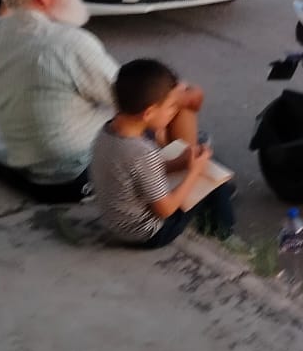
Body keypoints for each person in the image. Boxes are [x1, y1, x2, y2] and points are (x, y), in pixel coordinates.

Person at [0, 0, 204, 202]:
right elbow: (132, 100)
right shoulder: (69, 43)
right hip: (72, 170)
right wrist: (189, 96)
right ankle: (186, 195)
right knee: (176, 96)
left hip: (23, 158)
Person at [92, 58, 235, 248]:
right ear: (149, 112)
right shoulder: (142, 151)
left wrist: (179, 163)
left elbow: (135, 171)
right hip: (148, 234)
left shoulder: (107, 132)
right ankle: (224, 236)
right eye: (171, 107)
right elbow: (165, 210)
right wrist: (194, 172)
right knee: (214, 182)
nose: (173, 112)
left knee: (201, 173)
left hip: (115, 223)